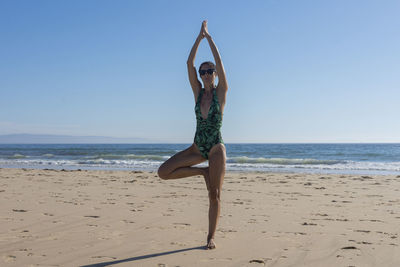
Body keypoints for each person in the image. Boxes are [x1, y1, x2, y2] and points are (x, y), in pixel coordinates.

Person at [157, 20, 228, 250]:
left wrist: (210, 38)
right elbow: (189, 62)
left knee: (215, 194)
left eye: (210, 71)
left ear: (215, 75)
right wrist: (199, 37)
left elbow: (219, 61)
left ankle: (210, 238)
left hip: (216, 148)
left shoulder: (221, 92)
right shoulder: (197, 92)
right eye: (203, 72)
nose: (206, 74)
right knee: (163, 172)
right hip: (197, 147)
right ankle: (202, 172)